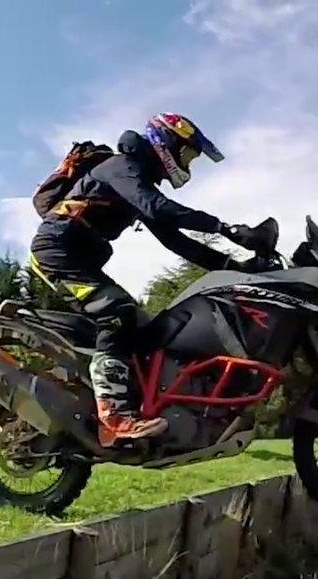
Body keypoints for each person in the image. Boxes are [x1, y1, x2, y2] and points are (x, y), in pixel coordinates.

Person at [27, 112, 264, 445]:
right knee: (117, 313)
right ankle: (114, 415)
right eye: (188, 154)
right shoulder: (120, 167)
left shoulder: (137, 183)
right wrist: (223, 227)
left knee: (144, 328)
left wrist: (236, 266)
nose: (188, 164)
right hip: (55, 252)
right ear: (166, 143)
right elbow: (157, 207)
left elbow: (176, 241)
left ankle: (136, 405)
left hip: (77, 257)